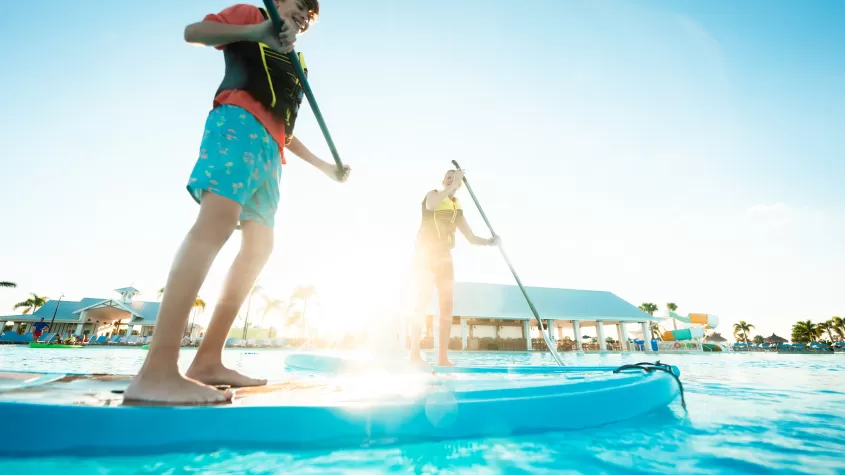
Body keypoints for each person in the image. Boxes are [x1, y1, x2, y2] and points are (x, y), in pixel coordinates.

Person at [125, 0, 350, 405]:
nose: (304, 17)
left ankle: (208, 360)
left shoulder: (296, 62)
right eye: (299, 6)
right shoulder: (252, 15)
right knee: (216, 224)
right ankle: (156, 370)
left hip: (270, 151)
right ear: (279, 1)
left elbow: (286, 129)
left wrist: (325, 168)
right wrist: (256, 32)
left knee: (260, 246)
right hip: (237, 125)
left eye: (310, 17)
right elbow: (193, 33)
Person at [409, 169, 498, 366]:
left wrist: (490, 242)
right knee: (422, 302)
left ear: (460, 185)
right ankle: (414, 355)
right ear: (443, 181)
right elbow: (431, 205)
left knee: (447, 307)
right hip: (426, 254)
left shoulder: (457, 208)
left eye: (455, 178)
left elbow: (471, 237)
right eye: (448, 177)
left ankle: (442, 358)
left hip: (445, 258)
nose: (451, 179)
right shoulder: (432, 195)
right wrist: (450, 187)